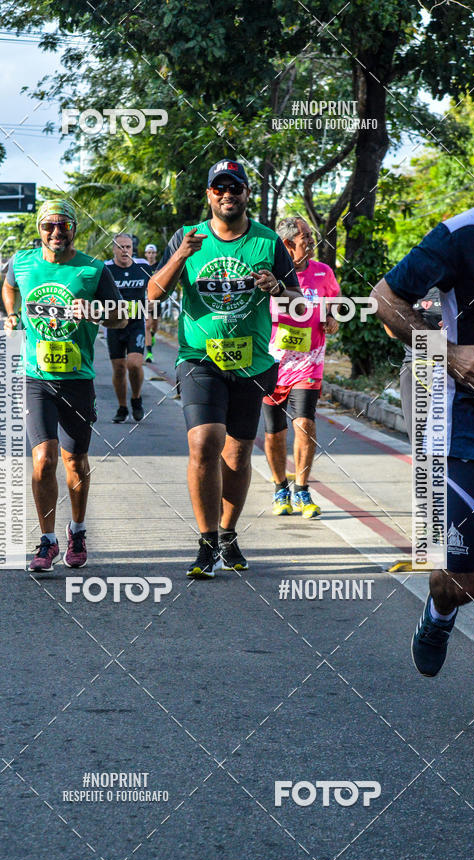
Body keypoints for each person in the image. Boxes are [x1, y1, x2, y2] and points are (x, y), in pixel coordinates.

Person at [372, 119, 474, 755]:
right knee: (465, 575)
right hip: (468, 432)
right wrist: (448, 351)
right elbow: (385, 300)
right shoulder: (463, 234)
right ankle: (439, 613)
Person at [149, 158, 302, 578]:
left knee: (236, 455)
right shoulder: (188, 236)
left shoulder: (268, 241)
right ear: (209, 195)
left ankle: (228, 531)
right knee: (205, 443)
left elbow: (298, 301)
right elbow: (153, 293)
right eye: (219, 188)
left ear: (246, 194)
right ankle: (205, 542)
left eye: (235, 188)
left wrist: (278, 288)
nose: (227, 195)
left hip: (251, 361)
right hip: (199, 358)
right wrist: (180, 255)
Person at [2, 199, 126, 573]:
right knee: (43, 460)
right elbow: (9, 287)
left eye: (64, 226)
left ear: (75, 229)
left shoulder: (92, 270)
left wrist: (97, 313)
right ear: (39, 229)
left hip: (77, 380)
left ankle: (77, 530)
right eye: (48, 226)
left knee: (75, 460)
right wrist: (11, 313)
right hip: (36, 377)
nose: (56, 233)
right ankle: (47, 541)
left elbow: (121, 320)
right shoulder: (22, 262)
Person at [263, 216, 340, 518]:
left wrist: (333, 318)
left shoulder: (323, 272)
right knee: (274, 432)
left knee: (304, 424)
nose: (310, 240)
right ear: (286, 243)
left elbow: (335, 303)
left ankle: (302, 490)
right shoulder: (269, 274)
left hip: (309, 361)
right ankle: (280, 487)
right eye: (305, 236)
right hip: (271, 362)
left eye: (310, 235)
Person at [105, 233, 153, 423]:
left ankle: (136, 399)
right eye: (120, 247)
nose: (125, 250)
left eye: (128, 247)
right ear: (114, 249)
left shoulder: (143, 266)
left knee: (134, 364)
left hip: (136, 324)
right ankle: (122, 407)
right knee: (118, 368)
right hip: (115, 325)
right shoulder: (106, 269)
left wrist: (151, 305)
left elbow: (156, 288)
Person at [143, 243, 159, 361]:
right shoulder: (142, 266)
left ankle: (153, 335)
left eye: (153, 253)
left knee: (155, 324)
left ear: (156, 254)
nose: (151, 255)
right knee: (147, 324)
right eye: (149, 253)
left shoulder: (160, 266)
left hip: (157, 299)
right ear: (145, 254)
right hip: (145, 299)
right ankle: (149, 353)